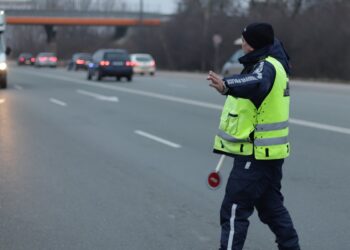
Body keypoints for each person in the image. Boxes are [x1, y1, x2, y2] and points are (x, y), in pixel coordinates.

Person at [207, 22, 300, 250]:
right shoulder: (267, 63)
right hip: (265, 154)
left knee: (233, 211)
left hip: (255, 154)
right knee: (271, 209)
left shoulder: (266, 66)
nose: (242, 43)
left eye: (245, 40)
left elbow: (256, 83)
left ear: (254, 43)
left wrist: (226, 85)